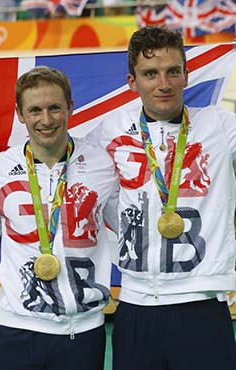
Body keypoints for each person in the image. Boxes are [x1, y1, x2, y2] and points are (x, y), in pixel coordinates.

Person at [98, 25, 236, 370]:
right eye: (151, 74)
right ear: (133, 82)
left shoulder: (221, 126)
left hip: (202, 301)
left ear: (187, 76)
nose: (164, 84)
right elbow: (52, 160)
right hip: (135, 303)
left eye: (173, 71)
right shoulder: (109, 130)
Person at [0, 65, 118, 370]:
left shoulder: (102, 163)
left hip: (81, 331)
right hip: (15, 326)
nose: (46, 120)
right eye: (35, 110)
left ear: (70, 107)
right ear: (20, 113)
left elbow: (125, 228)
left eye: (55, 108)